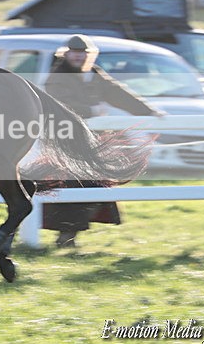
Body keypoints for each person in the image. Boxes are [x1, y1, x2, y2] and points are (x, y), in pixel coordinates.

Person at [43, 34, 163, 247]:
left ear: (89, 55)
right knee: (73, 186)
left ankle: (70, 235)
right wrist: (92, 110)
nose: (78, 56)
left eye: (82, 53)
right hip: (68, 142)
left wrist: (149, 111)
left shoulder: (94, 73)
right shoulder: (57, 76)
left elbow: (118, 94)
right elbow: (59, 104)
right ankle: (65, 236)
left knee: (93, 186)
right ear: (67, 53)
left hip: (92, 141)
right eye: (74, 52)